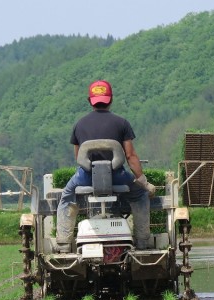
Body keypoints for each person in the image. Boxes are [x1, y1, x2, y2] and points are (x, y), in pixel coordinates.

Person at [55, 80, 156, 252]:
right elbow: (130, 156)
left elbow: (78, 157)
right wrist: (143, 181)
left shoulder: (79, 124)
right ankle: (142, 240)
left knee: (67, 197)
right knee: (140, 194)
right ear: (111, 100)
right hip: (117, 175)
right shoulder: (122, 123)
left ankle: (64, 243)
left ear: (90, 101)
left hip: (86, 177)